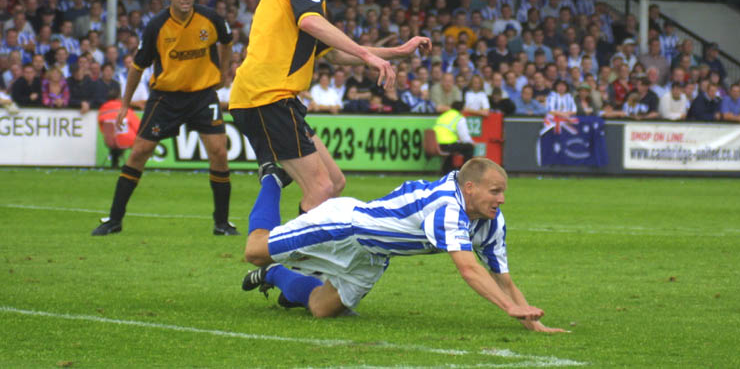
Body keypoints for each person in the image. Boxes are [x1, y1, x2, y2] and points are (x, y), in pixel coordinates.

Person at [228, 0, 431, 227]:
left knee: (334, 182)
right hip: (266, 97)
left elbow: (333, 54)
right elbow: (309, 22)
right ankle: (288, 262)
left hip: (275, 99)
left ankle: (272, 177)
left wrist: (398, 51)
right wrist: (367, 55)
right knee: (321, 189)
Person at [240, 157, 567, 333]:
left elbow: (502, 278)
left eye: (503, 192)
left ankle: (275, 274)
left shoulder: (491, 220)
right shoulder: (447, 206)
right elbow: (469, 268)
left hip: (373, 255)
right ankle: (271, 179)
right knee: (254, 250)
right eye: (495, 191)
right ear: (470, 187)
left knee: (321, 309)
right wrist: (510, 308)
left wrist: (533, 323)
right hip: (344, 226)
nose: (502, 199)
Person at [91, 0, 236, 236]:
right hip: (166, 98)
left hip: (203, 95)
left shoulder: (210, 18)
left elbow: (227, 42)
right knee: (139, 152)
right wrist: (124, 104)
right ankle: (114, 220)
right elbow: (138, 66)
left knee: (219, 152)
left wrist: (222, 73)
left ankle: (222, 224)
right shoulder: (157, 25)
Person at [98, 85, 141, 168]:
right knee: (130, 138)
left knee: (116, 140)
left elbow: (102, 128)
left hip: (109, 141)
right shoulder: (126, 110)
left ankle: (115, 162)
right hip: (127, 140)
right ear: (118, 98)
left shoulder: (102, 111)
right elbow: (137, 127)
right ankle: (132, 165)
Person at [434, 100, 475, 174]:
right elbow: (464, 137)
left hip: (436, 144)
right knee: (469, 147)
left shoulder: (443, 115)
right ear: (462, 110)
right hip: (447, 144)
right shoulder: (459, 118)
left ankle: (447, 171)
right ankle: (466, 172)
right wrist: (472, 143)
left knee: (455, 148)